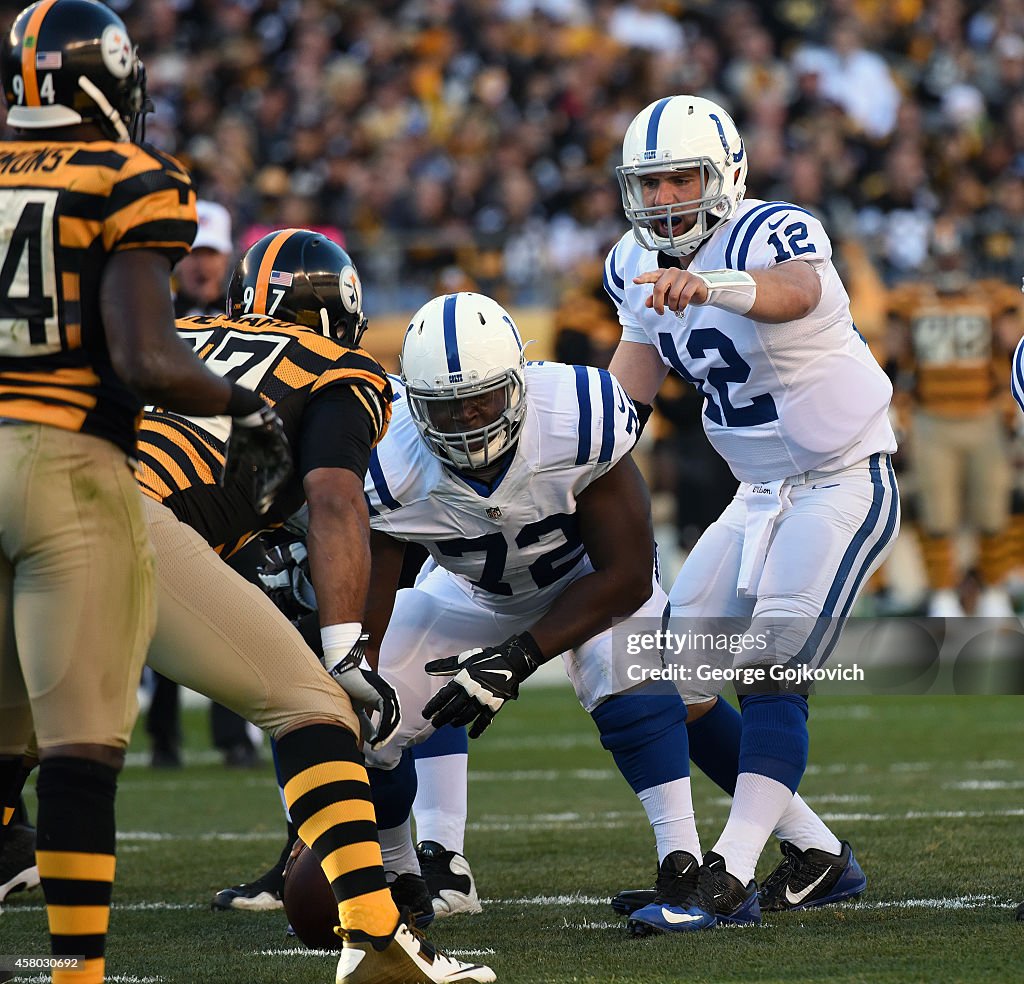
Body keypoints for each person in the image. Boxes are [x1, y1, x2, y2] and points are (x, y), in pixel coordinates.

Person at [219, 290, 724, 934]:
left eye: (482, 398)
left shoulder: (578, 412)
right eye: (446, 407)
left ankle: (681, 864)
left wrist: (516, 660)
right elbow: (370, 601)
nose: (468, 419)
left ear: (518, 380)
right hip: (473, 593)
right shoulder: (388, 451)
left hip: (586, 584)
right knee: (368, 713)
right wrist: (361, 673)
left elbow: (625, 577)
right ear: (415, 402)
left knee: (624, 671)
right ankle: (404, 876)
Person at [0, 2, 289, 981]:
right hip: (62, 466)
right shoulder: (128, 176)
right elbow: (148, 357)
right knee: (82, 741)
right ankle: (79, 972)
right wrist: (243, 411)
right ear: (102, 84)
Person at [134, 229, 494, 983]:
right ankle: (377, 940)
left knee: (42, 731)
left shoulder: (183, 328)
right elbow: (334, 497)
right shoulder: (338, 367)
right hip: (122, 523)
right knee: (315, 707)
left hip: (31, 493)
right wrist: (344, 651)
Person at [603, 95, 898, 926]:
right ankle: (815, 854)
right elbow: (626, 395)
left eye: (680, 179)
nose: (663, 199)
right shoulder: (631, 260)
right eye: (649, 183)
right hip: (758, 494)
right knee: (666, 678)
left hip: (843, 479)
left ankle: (724, 879)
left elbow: (796, 292)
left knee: (771, 668)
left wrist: (716, 285)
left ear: (726, 175)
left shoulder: (775, 229)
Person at [144, 197, 263, 770]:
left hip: (221, 484)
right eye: (191, 254)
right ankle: (163, 738)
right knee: (160, 619)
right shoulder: (149, 315)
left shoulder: (247, 319)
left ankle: (233, 736)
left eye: (210, 253)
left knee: (230, 609)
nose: (200, 265)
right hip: (160, 479)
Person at [888, 219, 1020, 617]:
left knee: (992, 509)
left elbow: (1014, 343)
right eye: (942, 256)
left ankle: (994, 589)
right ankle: (943, 593)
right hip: (932, 419)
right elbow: (895, 356)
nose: (948, 264)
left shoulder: (993, 298)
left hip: (983, 416)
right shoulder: (910, 301)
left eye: (954, 255)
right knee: (936, 512)